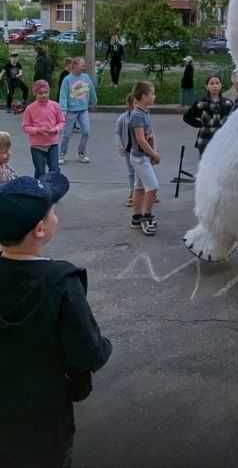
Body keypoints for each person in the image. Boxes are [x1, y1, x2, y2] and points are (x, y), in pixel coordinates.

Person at [0, 173, 112, 468]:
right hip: (43, 414)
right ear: (40, 229)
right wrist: (104, 346)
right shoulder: (61, 282)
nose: (55, 216)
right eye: (52, 211)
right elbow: (88, 351)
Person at [129, 81, 161, 236]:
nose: (154, 96)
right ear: (143, 96)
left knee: (140, 188)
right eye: (152, 94)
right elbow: (141, 139)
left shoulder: (145, 112)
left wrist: (154, 151)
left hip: (143, 157)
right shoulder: (137, 115)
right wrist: (153, 154)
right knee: (153, 187)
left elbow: (150, 135)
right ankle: (146, 217)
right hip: (140, 158)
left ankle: (136, 217)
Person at [22, 80, 65, 178]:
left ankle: (53, 189)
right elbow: (25, 127)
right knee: (40, 170)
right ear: (35, 94)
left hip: (52, 143)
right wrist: (37, 130)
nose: (44, 95)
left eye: (46, 92)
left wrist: (55, 129)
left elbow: (61, 121)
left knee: (54, 169)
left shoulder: (55, 106)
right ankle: (39, 189)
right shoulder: (30, 108)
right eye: (40, 93)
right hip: (37, 145)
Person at [59, 57, 97, 165]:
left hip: (83, 110)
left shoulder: (86, 77)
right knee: (66, 134)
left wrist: (94, 101)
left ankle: (81, 153)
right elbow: (63, 96)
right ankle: (61, 153)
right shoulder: (67, 79)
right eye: (82, 65)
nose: (84, 67)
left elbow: (91, 89)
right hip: (71, 111)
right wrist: (63, 109)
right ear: (75, 66)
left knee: (86, 131)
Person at [183, 75, 233, 156]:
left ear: (221, 85)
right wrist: (200, 124)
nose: (215, 86)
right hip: (205, 140)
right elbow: (187, 117)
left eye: (217, 83)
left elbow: (232, 120)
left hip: (223, 140)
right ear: (207, 86)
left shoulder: (228, 103)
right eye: (212, 83)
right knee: (205, 165)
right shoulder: (200, 103)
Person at [114, 93, 135, 206]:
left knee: (143, 172)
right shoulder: (123, 118)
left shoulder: (143, 116)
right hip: (128, 148)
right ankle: (132, 193)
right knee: (131, 172)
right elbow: (117, 132)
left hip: (141, 150)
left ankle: (148, 192)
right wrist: (120, 145)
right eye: (133, 104)